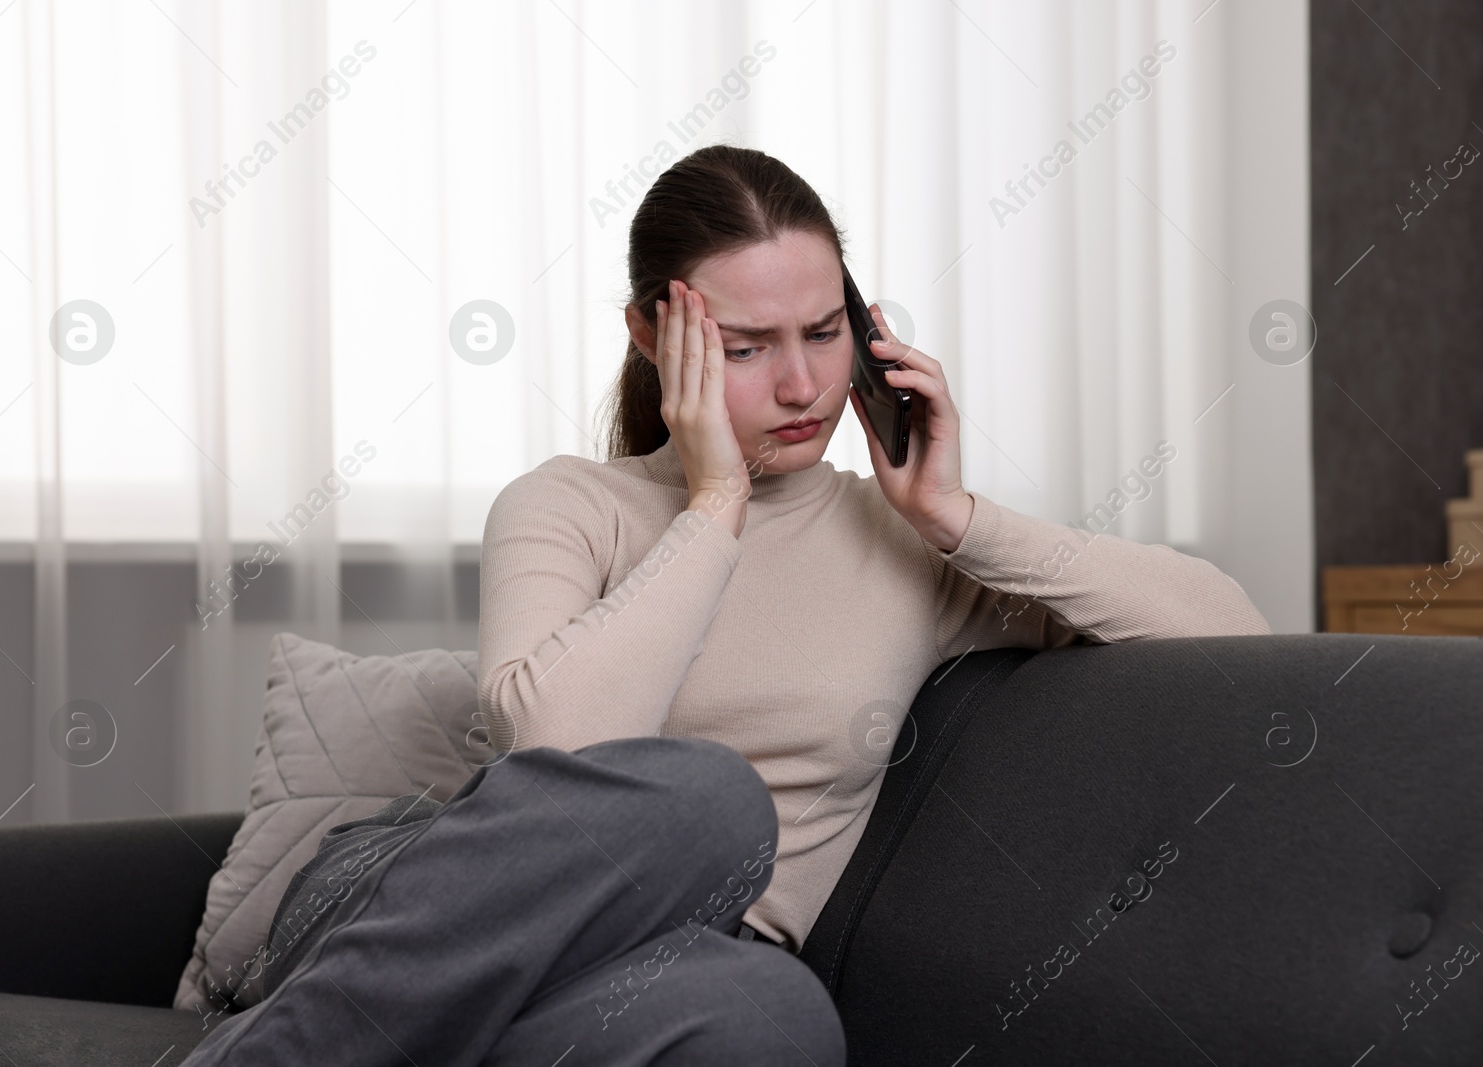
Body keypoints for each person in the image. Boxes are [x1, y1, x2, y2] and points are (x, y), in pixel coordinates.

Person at [180, 144, 1270, 1065]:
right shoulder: (570, 503)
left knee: (774, 1012)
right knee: (708, 798)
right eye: (746, 349)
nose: (800, 387)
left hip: (674, 962)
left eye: (824, 333)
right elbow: (560, 750)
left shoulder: (904, 543)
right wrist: (714, 502)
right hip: (408, 908)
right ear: (656, 339)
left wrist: (956, 514)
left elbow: (1227, 628)